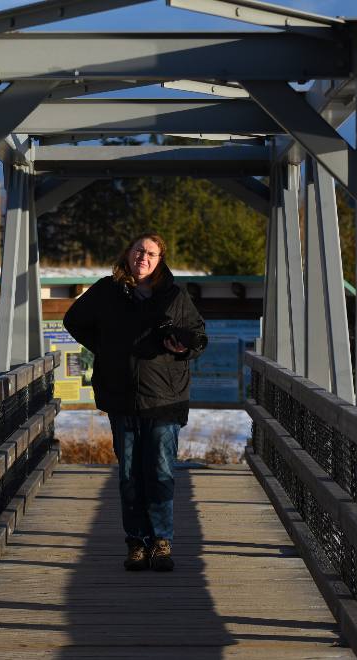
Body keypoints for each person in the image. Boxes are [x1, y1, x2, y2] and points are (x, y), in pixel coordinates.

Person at [63, 232, 207, 571]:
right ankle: (136, 543)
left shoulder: (174, 295)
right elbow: (74, 321)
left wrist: (183, 346)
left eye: (152, 254)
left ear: (160, 260)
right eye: (139, 250)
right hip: (121, 396)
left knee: (159, 471)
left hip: (164, 398)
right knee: (129, 474)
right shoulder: (105, 291)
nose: (144, 257)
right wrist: (106, 349)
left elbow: (200, 337)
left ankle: (161, 541)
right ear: (128, 253)